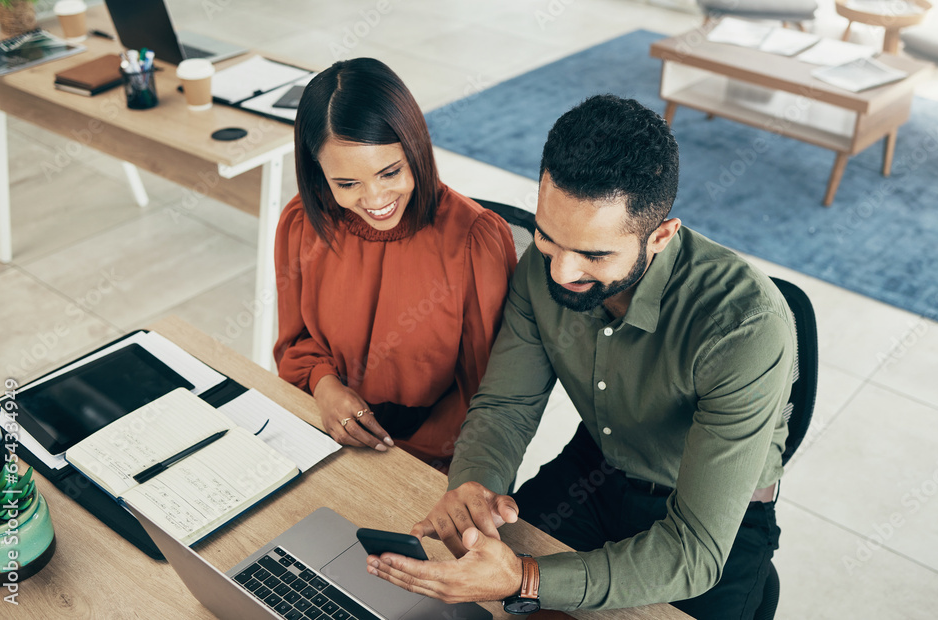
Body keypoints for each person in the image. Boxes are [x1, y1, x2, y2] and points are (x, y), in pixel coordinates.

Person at [365, 95, 795, 619]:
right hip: (597, 469)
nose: (561, 273)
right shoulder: (541, 269)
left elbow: (695, 552)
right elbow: (506, 406)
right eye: (548, 237)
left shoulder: (745, 324)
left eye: (594, 254)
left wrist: (526, 578)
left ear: (660, 236)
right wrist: (473, 486)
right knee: (471, 604)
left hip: (711, 519)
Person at [273, 58, 517, 470]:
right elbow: (296, 342)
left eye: (390, 173)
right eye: (347, 184)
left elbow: (488, 394)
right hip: (327, 430)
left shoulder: (475, 242)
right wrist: (324, 385)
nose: (374, 199)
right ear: (319, 174)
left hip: (432, 458)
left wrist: (404, 460)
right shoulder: (303, 222)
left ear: (415, 148)